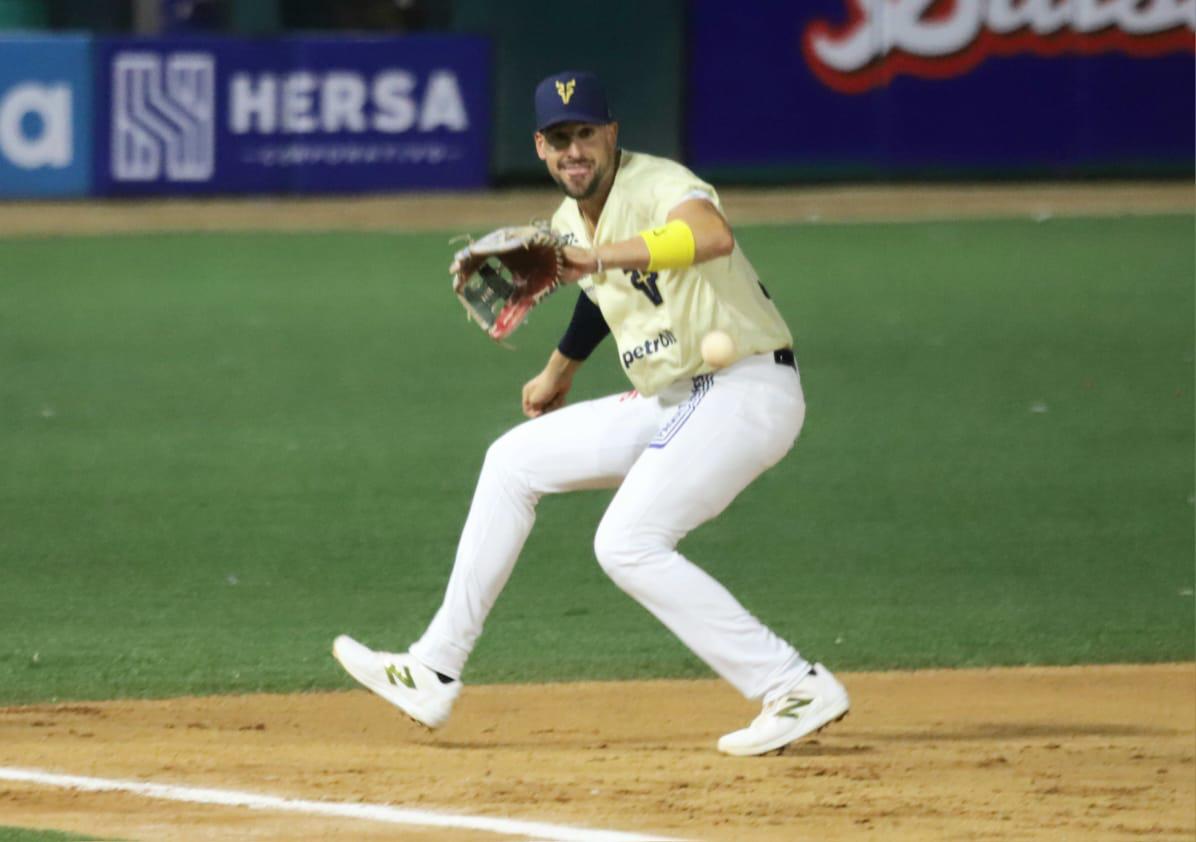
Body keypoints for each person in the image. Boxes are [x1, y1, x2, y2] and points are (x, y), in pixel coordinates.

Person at [333, 70, 849, 756]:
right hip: (676, 397)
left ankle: (792, 684)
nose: (573, 150)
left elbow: (710, 236)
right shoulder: (566, 225)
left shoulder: (661, 183)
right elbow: (594, 293)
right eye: (558, 139)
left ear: (611, 134)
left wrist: (594, 256)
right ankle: (433, 668)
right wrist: (557, 371)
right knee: (513, 460)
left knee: (627, 543)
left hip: (745, 390)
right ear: (540, 150)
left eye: (585, 134)